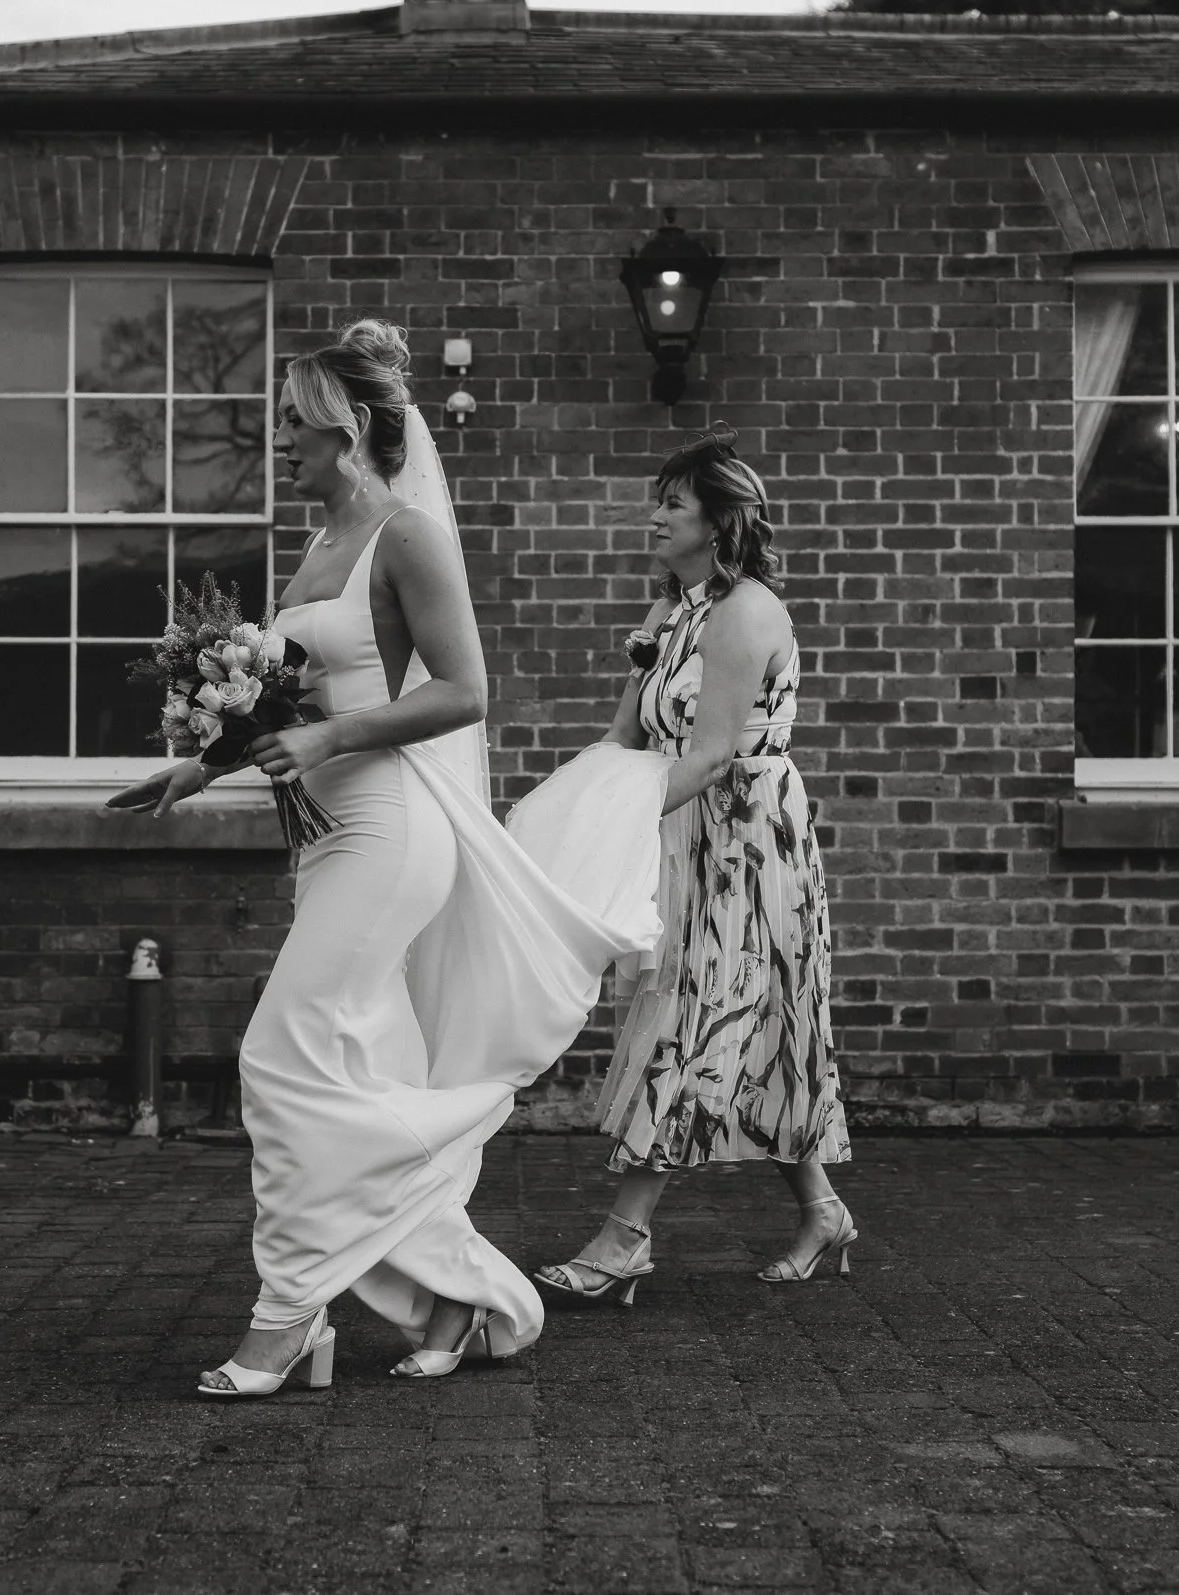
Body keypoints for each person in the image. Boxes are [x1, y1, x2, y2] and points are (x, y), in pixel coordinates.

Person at [108, 320, 665, 1397]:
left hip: (389, 831)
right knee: (359, 1072)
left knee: (278, 1060)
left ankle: (287, 1311)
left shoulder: (407, 534)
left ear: (350, 425)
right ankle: (455, 1287)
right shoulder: (316, 546)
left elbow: (462, 691)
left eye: (293, 420)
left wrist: (322, 740)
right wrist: (198, 767)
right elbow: (293, 695)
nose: (277, 439)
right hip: (318, 842)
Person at [535, 429, 854, 1303]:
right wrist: (558, 815)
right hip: (685, 831)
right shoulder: (676, 611)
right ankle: (822, 1210)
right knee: (761, 1027)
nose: (655, 515)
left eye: (673, 502)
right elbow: (623, 736)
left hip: (747, 841)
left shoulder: (747, 610)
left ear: (718, 520)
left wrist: (617, 826)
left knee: (699, 1017)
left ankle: (624, 1237)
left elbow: (713, 753)